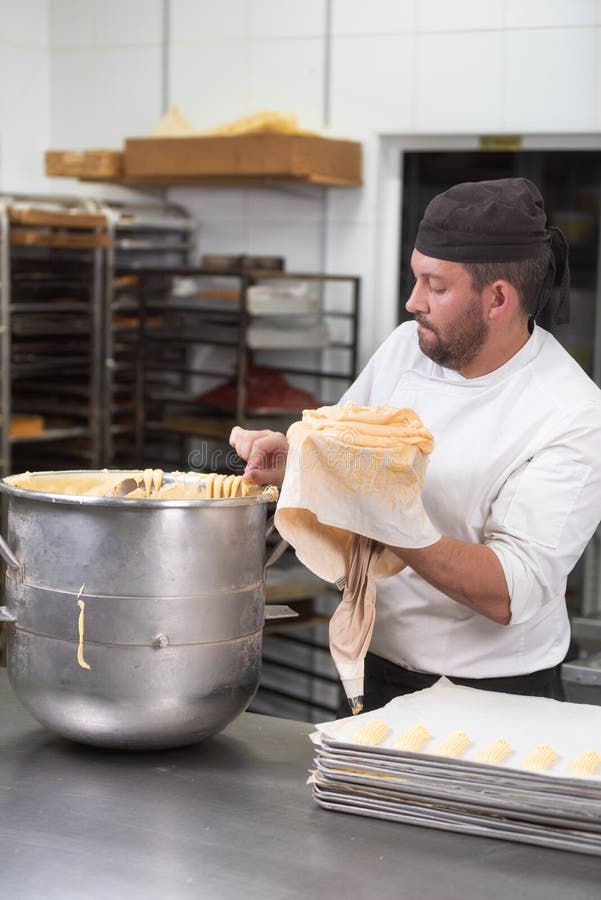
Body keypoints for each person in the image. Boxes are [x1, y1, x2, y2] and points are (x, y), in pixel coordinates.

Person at [230, 178, 601, 709]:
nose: (412, 301)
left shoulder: (572, 413)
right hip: (374, 667)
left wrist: (390, 520)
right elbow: (349, 460)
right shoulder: (406, 350)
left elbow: (508, 592)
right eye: (415, 277)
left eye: (436, 285)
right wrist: (300, 464)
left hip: (495, 694)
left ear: (497, 298)